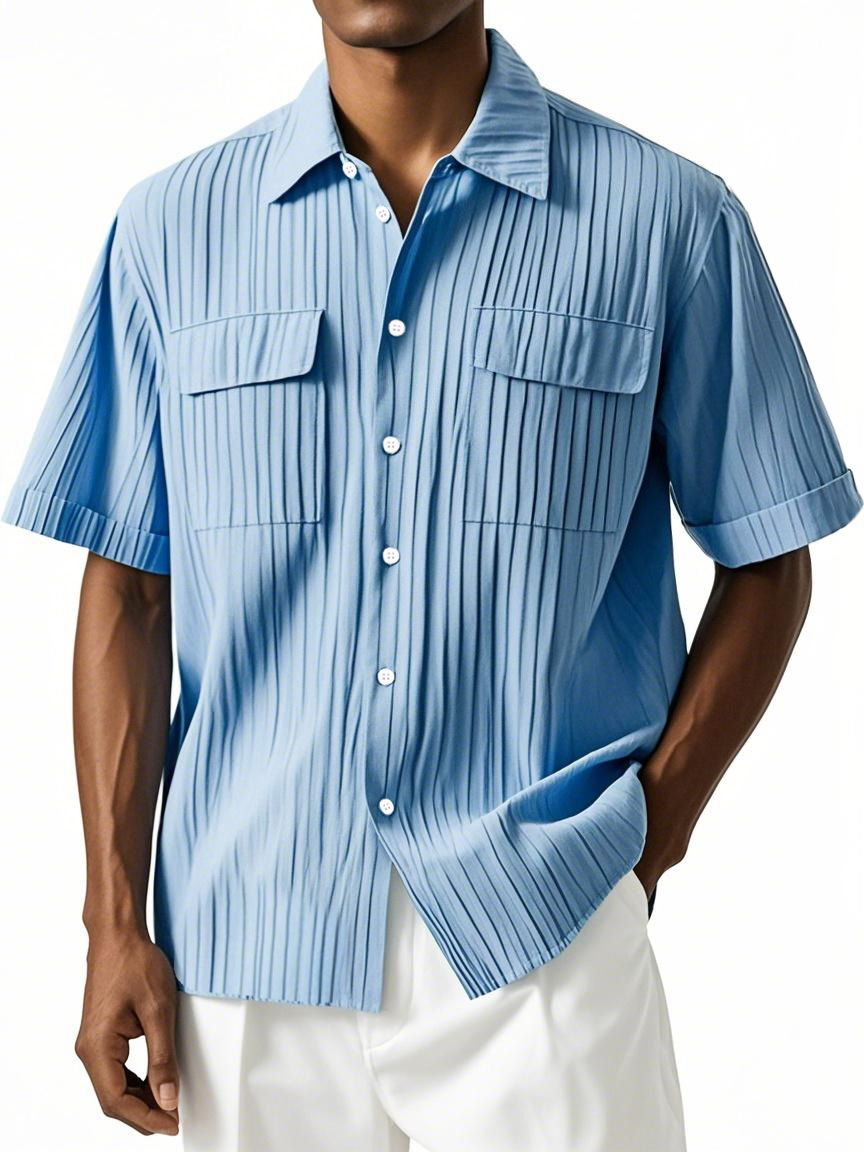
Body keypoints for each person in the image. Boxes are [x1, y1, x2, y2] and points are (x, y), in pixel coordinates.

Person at [3, 4, 861, 1150]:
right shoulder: (170, 231)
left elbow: (770, 550)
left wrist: (650, 833)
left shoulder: (669, 219)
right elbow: (129, 586)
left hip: (542, 932)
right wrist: (113, 920)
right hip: (248, 944)